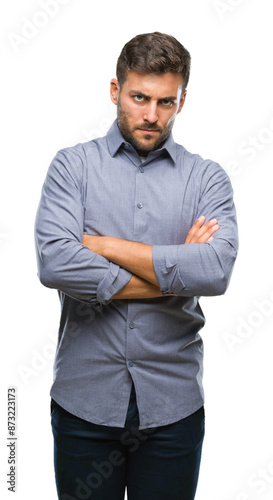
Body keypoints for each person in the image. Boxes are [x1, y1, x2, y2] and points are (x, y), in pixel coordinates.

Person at [35, 32, 238, 500]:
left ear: (182, 100)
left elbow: (215, 271)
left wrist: (102, 245)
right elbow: (54, 261)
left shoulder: (206, 178)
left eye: (166, 102)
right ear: (115, 91)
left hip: (173, 408)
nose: (151, 115)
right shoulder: (72, 168)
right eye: (139, 97)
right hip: (83, 403)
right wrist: (174, 274)